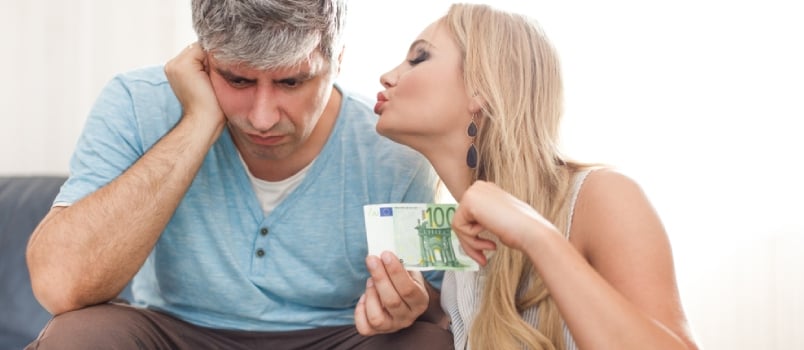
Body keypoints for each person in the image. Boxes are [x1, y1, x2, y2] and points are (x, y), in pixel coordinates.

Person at [25, 0, 453, 349]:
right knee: (79, 337)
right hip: (175, 331)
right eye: (238, 79)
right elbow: (61, 287)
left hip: (339, 336)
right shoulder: (136, 103)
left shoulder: (393, 147)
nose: (263, 119)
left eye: (291, 82)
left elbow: (437, 304)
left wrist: (409, 304)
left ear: (338, 61)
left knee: (425, 342)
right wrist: (197, 122)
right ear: (203, 60)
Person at [373, 3, 699, 350]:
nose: (388, 76)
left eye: (418, 58)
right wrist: (424, 312)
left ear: (480, 86)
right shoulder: (463, 252)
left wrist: (537, 235)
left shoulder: (604, 197)